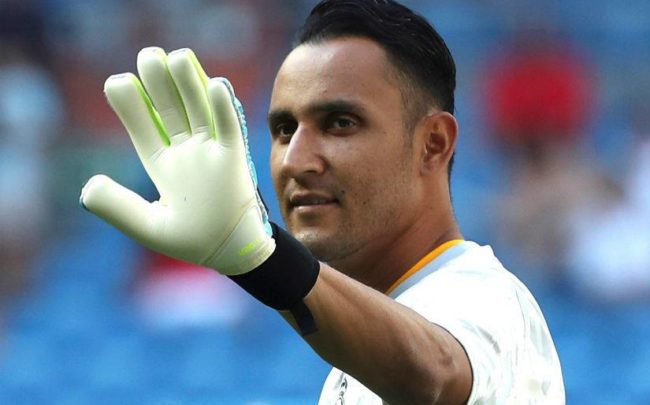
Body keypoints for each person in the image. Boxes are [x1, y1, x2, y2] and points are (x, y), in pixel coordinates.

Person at [80, 0, 564, 403]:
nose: (295, 160)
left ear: (433, 144)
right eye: (283, 129)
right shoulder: (349, 363)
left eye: (340, 123)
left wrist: (261, 257)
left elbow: (434, 374)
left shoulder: (487, 299)